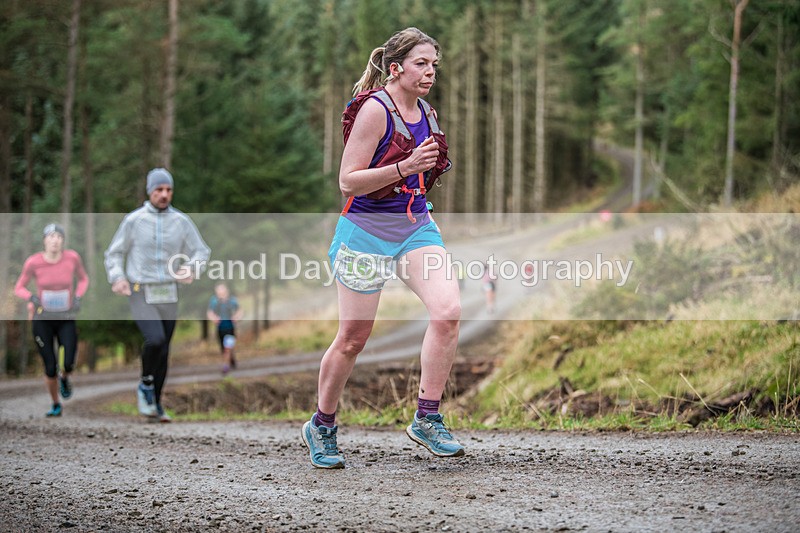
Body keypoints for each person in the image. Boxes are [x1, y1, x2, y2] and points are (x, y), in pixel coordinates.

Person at [302, 28, 463, 469]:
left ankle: (427, 417)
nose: (430, 72)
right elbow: (347, 181)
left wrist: (417, 175)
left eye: (434, 64)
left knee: (448, 312)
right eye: (421, 64)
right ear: (395, 68)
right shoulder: (376, 110)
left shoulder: (427, 113)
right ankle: (322, 425)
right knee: (353, 338)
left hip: (414, 227)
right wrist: (405, 166)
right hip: (364, 233)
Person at [104, 168, 210, 423]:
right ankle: (145, 383)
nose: (164, 195)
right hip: (141, 289)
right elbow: (114, 253)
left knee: (163, 351)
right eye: (159, 190)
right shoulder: (134, 221)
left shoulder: (181, 221)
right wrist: (118, 277)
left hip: (169, 291)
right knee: (155, 339)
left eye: (168, 190)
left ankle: (157, 405)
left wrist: (191, 268)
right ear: (150, 191)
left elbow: (202, 251)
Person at [14, 223, 89, 417]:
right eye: (51, 236)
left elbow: (83, 279)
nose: (55, 240)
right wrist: (31, 297)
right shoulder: (33, 262)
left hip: (65, 317)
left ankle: (65, 376)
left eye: (59, 237)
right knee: (49, 365)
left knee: (69, 361)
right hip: (42, 319)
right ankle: (56, 403)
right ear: (44, 241)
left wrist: (78, 297)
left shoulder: (72, 258)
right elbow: (19, 287)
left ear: (63, 241)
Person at [207, 282, 243, 375]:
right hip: (220, 329)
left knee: (227, 347)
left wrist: (236, 317)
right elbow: (210, 312)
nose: (220, 294)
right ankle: (231, 359)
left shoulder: (232, 301)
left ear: (226, 291)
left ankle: (225, 366)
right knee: (224, 348)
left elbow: (239, 310)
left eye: (222, 291)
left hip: (230, 328)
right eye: (218, 292)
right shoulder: (214, 301)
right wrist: (214, 318)